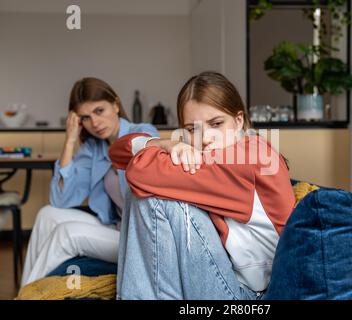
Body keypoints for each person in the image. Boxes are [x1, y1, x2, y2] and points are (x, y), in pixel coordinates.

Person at [109, 71, 295, 299]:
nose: (205, 138)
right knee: (148, 191)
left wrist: (160, 151)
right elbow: (117, 152)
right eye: (192, 129)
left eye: (216, 123)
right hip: (231, 282)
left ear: (238, 121)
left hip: (251, 297)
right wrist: (163, 143)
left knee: (153, 196)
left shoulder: (247, 157)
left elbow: (138, 173)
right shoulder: (208, 156)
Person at [21, 77, 159, 287]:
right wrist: (69, 141)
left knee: (66, 234)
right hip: (115, 228)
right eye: (85, 117)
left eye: (99, 111)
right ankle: (27, 291)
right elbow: (60, 200)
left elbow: (148, 156)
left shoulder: (142, 133)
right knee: (46, 215)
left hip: (140, 237)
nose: (94, 123)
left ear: (115, 104)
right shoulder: (94, 148)